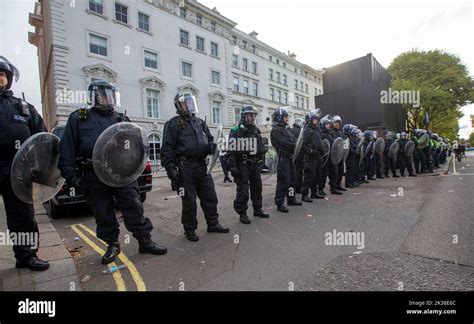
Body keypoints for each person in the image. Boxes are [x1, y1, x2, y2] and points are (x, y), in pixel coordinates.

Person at [59, 80, 167, 264]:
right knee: (103, 211)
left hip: (121, 174)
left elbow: (135, 146)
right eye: (104, 96)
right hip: (93, 174)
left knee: (134, 207)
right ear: (94, 97)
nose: (109, 100)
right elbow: (67, 150)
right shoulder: (79, 118)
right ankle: (112, 245)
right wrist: (74, 179)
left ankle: (144, 240)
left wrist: (137, 164)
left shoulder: (121, 119)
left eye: (111, 96)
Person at [0, 56, 50, 271]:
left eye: (1, 75)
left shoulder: (23, 108)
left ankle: (26, 256)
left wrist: (40, 169)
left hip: (16, 171)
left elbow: (42, 139)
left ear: (8, 79)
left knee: (22, 217)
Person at [161, 92, 229, 242]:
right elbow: (166, 149)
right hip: (185, 168)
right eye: (185, 103)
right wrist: (171, 169)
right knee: (189, 201)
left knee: (210, 197)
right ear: (178, 105)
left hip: (202, 166)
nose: (188, 105)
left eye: (190, 102)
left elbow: (210, 140)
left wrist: (212, 147)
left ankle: (213, 223)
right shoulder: (173, 124)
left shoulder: (200, 123)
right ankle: (190, 229)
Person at [227, 105, 269, 224]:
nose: (253, 118)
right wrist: (233, 168)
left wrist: (262, 154)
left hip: (255, 164)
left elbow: (260, 146)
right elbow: (230, 151)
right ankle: (242, 213)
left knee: (257, 188)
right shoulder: (236, 130)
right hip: (243, 164)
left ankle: (257, 208)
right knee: (243, 190)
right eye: (250, 115)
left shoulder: (255, 130)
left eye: (254, 115)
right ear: (244, 116)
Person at [270, 107, 302, 213]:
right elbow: (286, 144)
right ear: (280, 118)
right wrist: (294, 144)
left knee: (293, 179)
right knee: (284, 181)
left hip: (290, 158)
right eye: (285, 117)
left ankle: (291, 199)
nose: (287, 118)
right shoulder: (275, 131)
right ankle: (279, 203)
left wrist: (295, 143)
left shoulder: (286, 129)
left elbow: (293, 140)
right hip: (283, 158)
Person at [300, 109, 323, 203]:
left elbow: (320, 142)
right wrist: (311, 151)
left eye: (317, 119)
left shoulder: (316, 129)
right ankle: (304, 194)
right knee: (309, 176)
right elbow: (303, 145)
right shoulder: (307, 130)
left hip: (317, 156)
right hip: (310, 157)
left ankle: (314, 193)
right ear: (310, 119)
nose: (316, 121)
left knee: (317, 176)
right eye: (314, 119)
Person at [319, 115, 342, 195]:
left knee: (334, 173)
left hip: (332, 156)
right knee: (323, 174)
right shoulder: (321, 134)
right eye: (327, 124)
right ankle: (320, 189)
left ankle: (333, 188)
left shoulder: (330, 133)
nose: (329, 125)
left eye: (329, 124)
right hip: (325, 157)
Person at [332, 115, 347, 191]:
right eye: (335, 122)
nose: (337, 124)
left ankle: (338, 184)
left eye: (338, 123)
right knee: (334, 172)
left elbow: (344, 143)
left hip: (340, 155)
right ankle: (333, 187)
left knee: (340, 170)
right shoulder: (331, 132)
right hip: (334, 156)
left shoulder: (341, 133)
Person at [289, 118, 304, 194]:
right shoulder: (301, 132)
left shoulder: (290, 130)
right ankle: (298, 188)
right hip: (299, 154)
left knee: (292, 172)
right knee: (299, 172)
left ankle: (291, 189)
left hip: (291, 155)